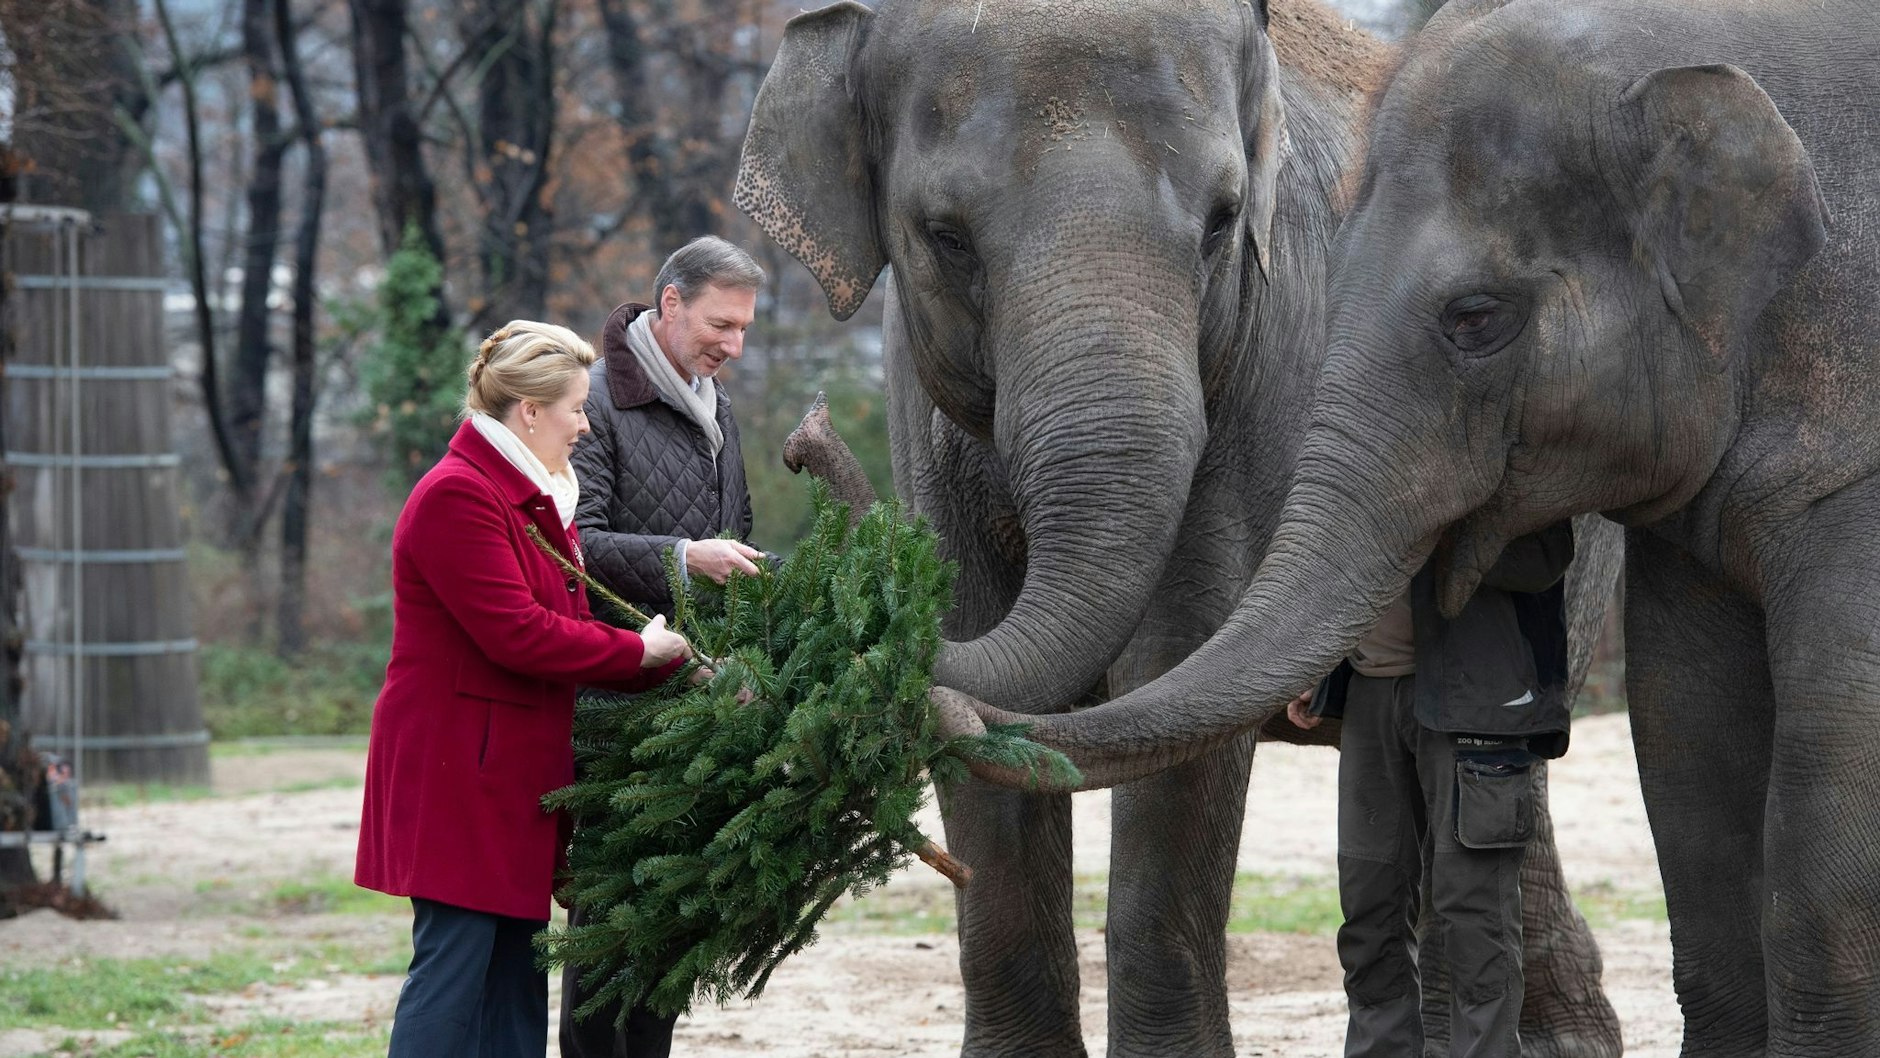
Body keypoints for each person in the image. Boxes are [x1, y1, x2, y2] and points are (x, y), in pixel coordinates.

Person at [355, 321, 696, 1058]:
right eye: (576, 408)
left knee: (515, 975)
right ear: (530, 411)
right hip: (459, 775)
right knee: (454, 974)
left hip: (508, 776)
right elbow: (521, 633)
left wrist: (666, 660)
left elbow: (562, 620)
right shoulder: (458, 495)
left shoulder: (535, 499)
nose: (584, 424)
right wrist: (641, 653)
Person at [560, 236, 768, 1058]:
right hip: (617, 701)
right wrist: (686, 560)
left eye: (746, 329)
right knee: (611, 927)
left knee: (676, 922)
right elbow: (576, 542)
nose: (735, 345)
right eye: (722, 324)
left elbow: (737, 530)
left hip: (698, 697)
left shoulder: (716, 404)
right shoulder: (596, 405)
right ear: (671, 304)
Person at [1289, 523, 1576, 1058]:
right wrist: (1322, 663)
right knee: (1368, 905)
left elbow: (1546, 557)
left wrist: (1445, 528)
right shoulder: (1361, 457)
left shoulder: (1499, 459)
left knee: (1476, 912)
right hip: (1370, 695)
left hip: (1475, 701)